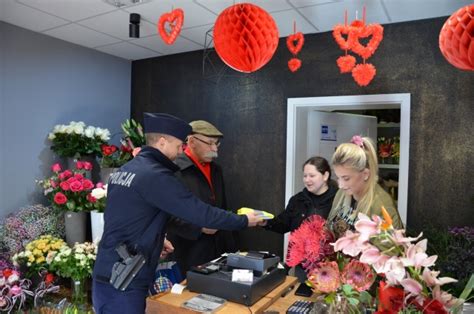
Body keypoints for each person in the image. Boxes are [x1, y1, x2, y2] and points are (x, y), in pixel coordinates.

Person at [92, 113, 263, 314]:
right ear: (163, 142)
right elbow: (201, 213)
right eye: (179, 145)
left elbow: (126, 216)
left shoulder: (124, 170)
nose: (182, 150)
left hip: (106, 272)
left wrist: (156, 238)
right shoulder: (156, 175)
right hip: (126, 279)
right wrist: (244, 220)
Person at [167, 120, 237, 278]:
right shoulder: (174, 170)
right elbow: (167, 214)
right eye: (210, 143)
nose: (214, 149)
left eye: (217, 144)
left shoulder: (216, 170)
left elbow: (222, 207)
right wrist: (199, 228)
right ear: (191, 142)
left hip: (218, 249)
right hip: (187, 251)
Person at [262, 156, 338, 282]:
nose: (307, 180)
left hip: (329, 266)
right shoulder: (298, 200)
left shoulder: (337, 200)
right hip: (302, 266)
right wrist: (264, 222)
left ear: (325, 176)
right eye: (305, 176)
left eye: (312, 176)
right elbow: (283, 224)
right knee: (302, 298)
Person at [327, 135, 403, 239]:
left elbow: (392, 250)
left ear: (365, 174)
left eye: (346, 178)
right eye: (338, 178)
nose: (341, 185)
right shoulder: (342, 193)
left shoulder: (383, 206)